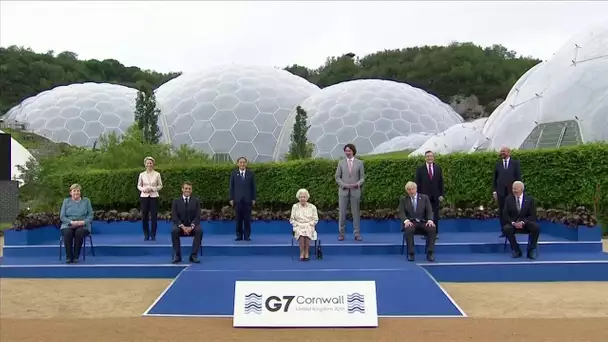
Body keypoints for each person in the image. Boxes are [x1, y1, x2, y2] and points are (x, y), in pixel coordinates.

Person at [398, 181, 437, 262]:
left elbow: (430, 211)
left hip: (423, 222)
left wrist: (430, 220)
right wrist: (406, 221)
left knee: (432, 228)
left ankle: (430, 253)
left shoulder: (424, 197)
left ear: (416, 189)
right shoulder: (403, 199)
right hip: (411, 222)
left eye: (412, 189)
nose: (411, 191)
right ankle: (411, 253)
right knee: (409, 229)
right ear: (406, 190)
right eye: (409, 190)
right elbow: (401, 212)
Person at [502, 181, 540, 260]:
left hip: (526, 223)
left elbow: (532, 215)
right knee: (506, 229)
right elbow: (505, 214)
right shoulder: (508, 199)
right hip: (513, 224)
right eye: (513, 189)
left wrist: (523, 222)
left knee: (536, 228)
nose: (514, 190)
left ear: (522, 189)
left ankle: (531, 250)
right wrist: (513, 223)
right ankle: (516, 250)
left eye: (516, 189)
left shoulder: (529, 199)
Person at [335, 143, 365, 241]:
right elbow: (337, 177)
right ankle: (341, 234)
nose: (347, 152)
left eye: (349, 151)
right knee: (342, 213)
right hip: (343, 191)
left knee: (356, 213)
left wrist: (357, 184)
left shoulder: (359, 163)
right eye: (346, 151)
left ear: (353, 151)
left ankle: (357, 234)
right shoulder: (341, 163)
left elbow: (362, 178)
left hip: (355, 191)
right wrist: (343, 185)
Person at [59, 184, 93, 264]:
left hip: (83, 225)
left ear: (80, 192)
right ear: (70, 192)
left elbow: (90, 215)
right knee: (67, 232)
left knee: (79, 232)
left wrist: (83, 222)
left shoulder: (86, 201)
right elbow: (62, 217)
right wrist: (71, 222)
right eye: (74, 191)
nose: (76, 192)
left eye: (78, 191)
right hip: (68, 224)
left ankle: (76, 256)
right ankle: (69, 256)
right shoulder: (66, 201)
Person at [171, 181, 202, 264]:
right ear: (182, 189)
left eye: (189, 189)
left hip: (192, 225)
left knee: (199, 230)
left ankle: (193, 255)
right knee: (174, 231)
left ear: (191, 190)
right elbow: (174, 216)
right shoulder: (176, 201)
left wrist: (191, 226)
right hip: (180, 226)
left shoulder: (196, 201)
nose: (187, 190)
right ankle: (178, 256)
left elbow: (198, 216)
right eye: (186, 188)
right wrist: (182, 227)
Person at [415, 150, 444, 238]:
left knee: (435, 215)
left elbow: (441, 182)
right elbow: (417, 183)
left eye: (431, 156)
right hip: (424, 196)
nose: (429, 158)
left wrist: (441, 194)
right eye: (428, 156)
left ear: (433, 157)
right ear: (425, 158)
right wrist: (417, 196)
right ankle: (426, 233)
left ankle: (434, 233)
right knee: (425, 215)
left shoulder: (438, 168)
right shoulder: (420, 169)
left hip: (435, 196)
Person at [493, 146, 521, 237]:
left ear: (509, 152)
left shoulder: (515, 164)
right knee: (502, 211)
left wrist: (519, 191)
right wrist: (494, 191)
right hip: (500, 192)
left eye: (503, 151)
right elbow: (494, 179)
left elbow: (518, 178)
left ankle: (512, 230)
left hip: (512, 192)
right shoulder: (498, 164)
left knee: (512, 210)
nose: (502, 153)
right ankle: (504, 231)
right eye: (501, 151)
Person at [229, 157, 257, 241]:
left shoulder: (250, 174)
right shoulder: (234, 173)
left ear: (246, 163)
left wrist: (253, 198)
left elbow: (253, 187)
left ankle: (247, 236)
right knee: (238, 219)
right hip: (237, 200)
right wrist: (231, 198)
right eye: (240, 162)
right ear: (237, 164)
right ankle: (239, 235)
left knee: (247, 219)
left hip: (247, 200)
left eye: (244, 162)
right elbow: (231, 187)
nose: (242, 164)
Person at [137, 156, 163, 241]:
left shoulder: (157, 174)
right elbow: (139, 185)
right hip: (144, 196)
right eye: (147, 163)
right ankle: (146, 234)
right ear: (145, 164)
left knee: (154, 216)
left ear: (153, 164)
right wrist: (143, 189)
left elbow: (160, 186)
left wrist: (153, 188)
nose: (149, 164)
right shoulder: (142, 174)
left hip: (154, 196)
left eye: (150, 163)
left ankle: (153, 234)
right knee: (144, 216)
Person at [290, 189, 319, 261]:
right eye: (300, 197)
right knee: (301, 233)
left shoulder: (312, 207)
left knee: (307, 230)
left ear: (307, 197)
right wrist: (297, 224)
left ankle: (306, 252)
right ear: (298, 198)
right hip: (298, 225)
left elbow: (315, 219)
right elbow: (291, 219)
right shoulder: (295, 206)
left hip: (309, 225)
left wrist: (309, 224)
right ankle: (302, 252)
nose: (302, 198)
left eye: (304, 197)